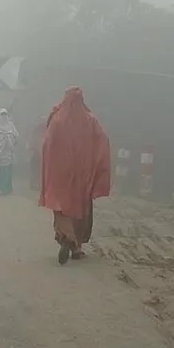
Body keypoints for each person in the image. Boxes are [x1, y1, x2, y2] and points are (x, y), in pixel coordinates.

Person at [39, 87, 112, 264]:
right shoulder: (91, 120)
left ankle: (67, 237)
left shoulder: (57, 119)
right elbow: (103, 143)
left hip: (60, 173)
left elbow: (47, 145)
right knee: (81, 207)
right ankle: (77, 246)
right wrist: (97, 169)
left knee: (61, 205)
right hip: (83, 173)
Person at [27, 119, 45, 191]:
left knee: (37, 170)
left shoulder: (38, 133)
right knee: (36, 169)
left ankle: (36, 184)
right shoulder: (36, 134)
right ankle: (35, 183)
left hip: (40, 155)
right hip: (37, 155)